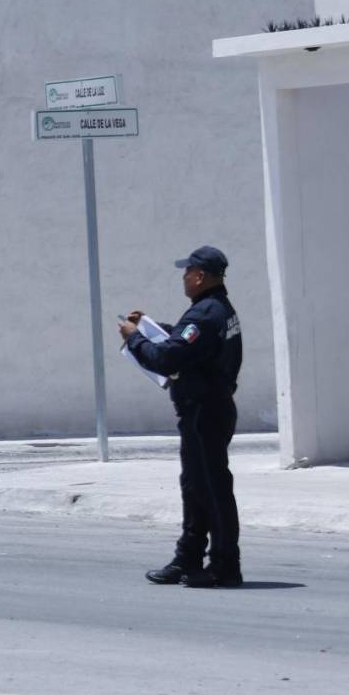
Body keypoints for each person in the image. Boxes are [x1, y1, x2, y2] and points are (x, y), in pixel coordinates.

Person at [119, 246, 243, 589]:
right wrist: (151, 327)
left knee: (213, 490)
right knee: (195, 487)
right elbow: (188, 343)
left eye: (186, 272)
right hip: (205, 409)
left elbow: (167, 360)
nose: (183, 278)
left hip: (206, 411)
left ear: (199, 276)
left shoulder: (204, 315)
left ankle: (225, 566)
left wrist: (134, 340)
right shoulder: (215, 309)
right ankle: (188, 557)